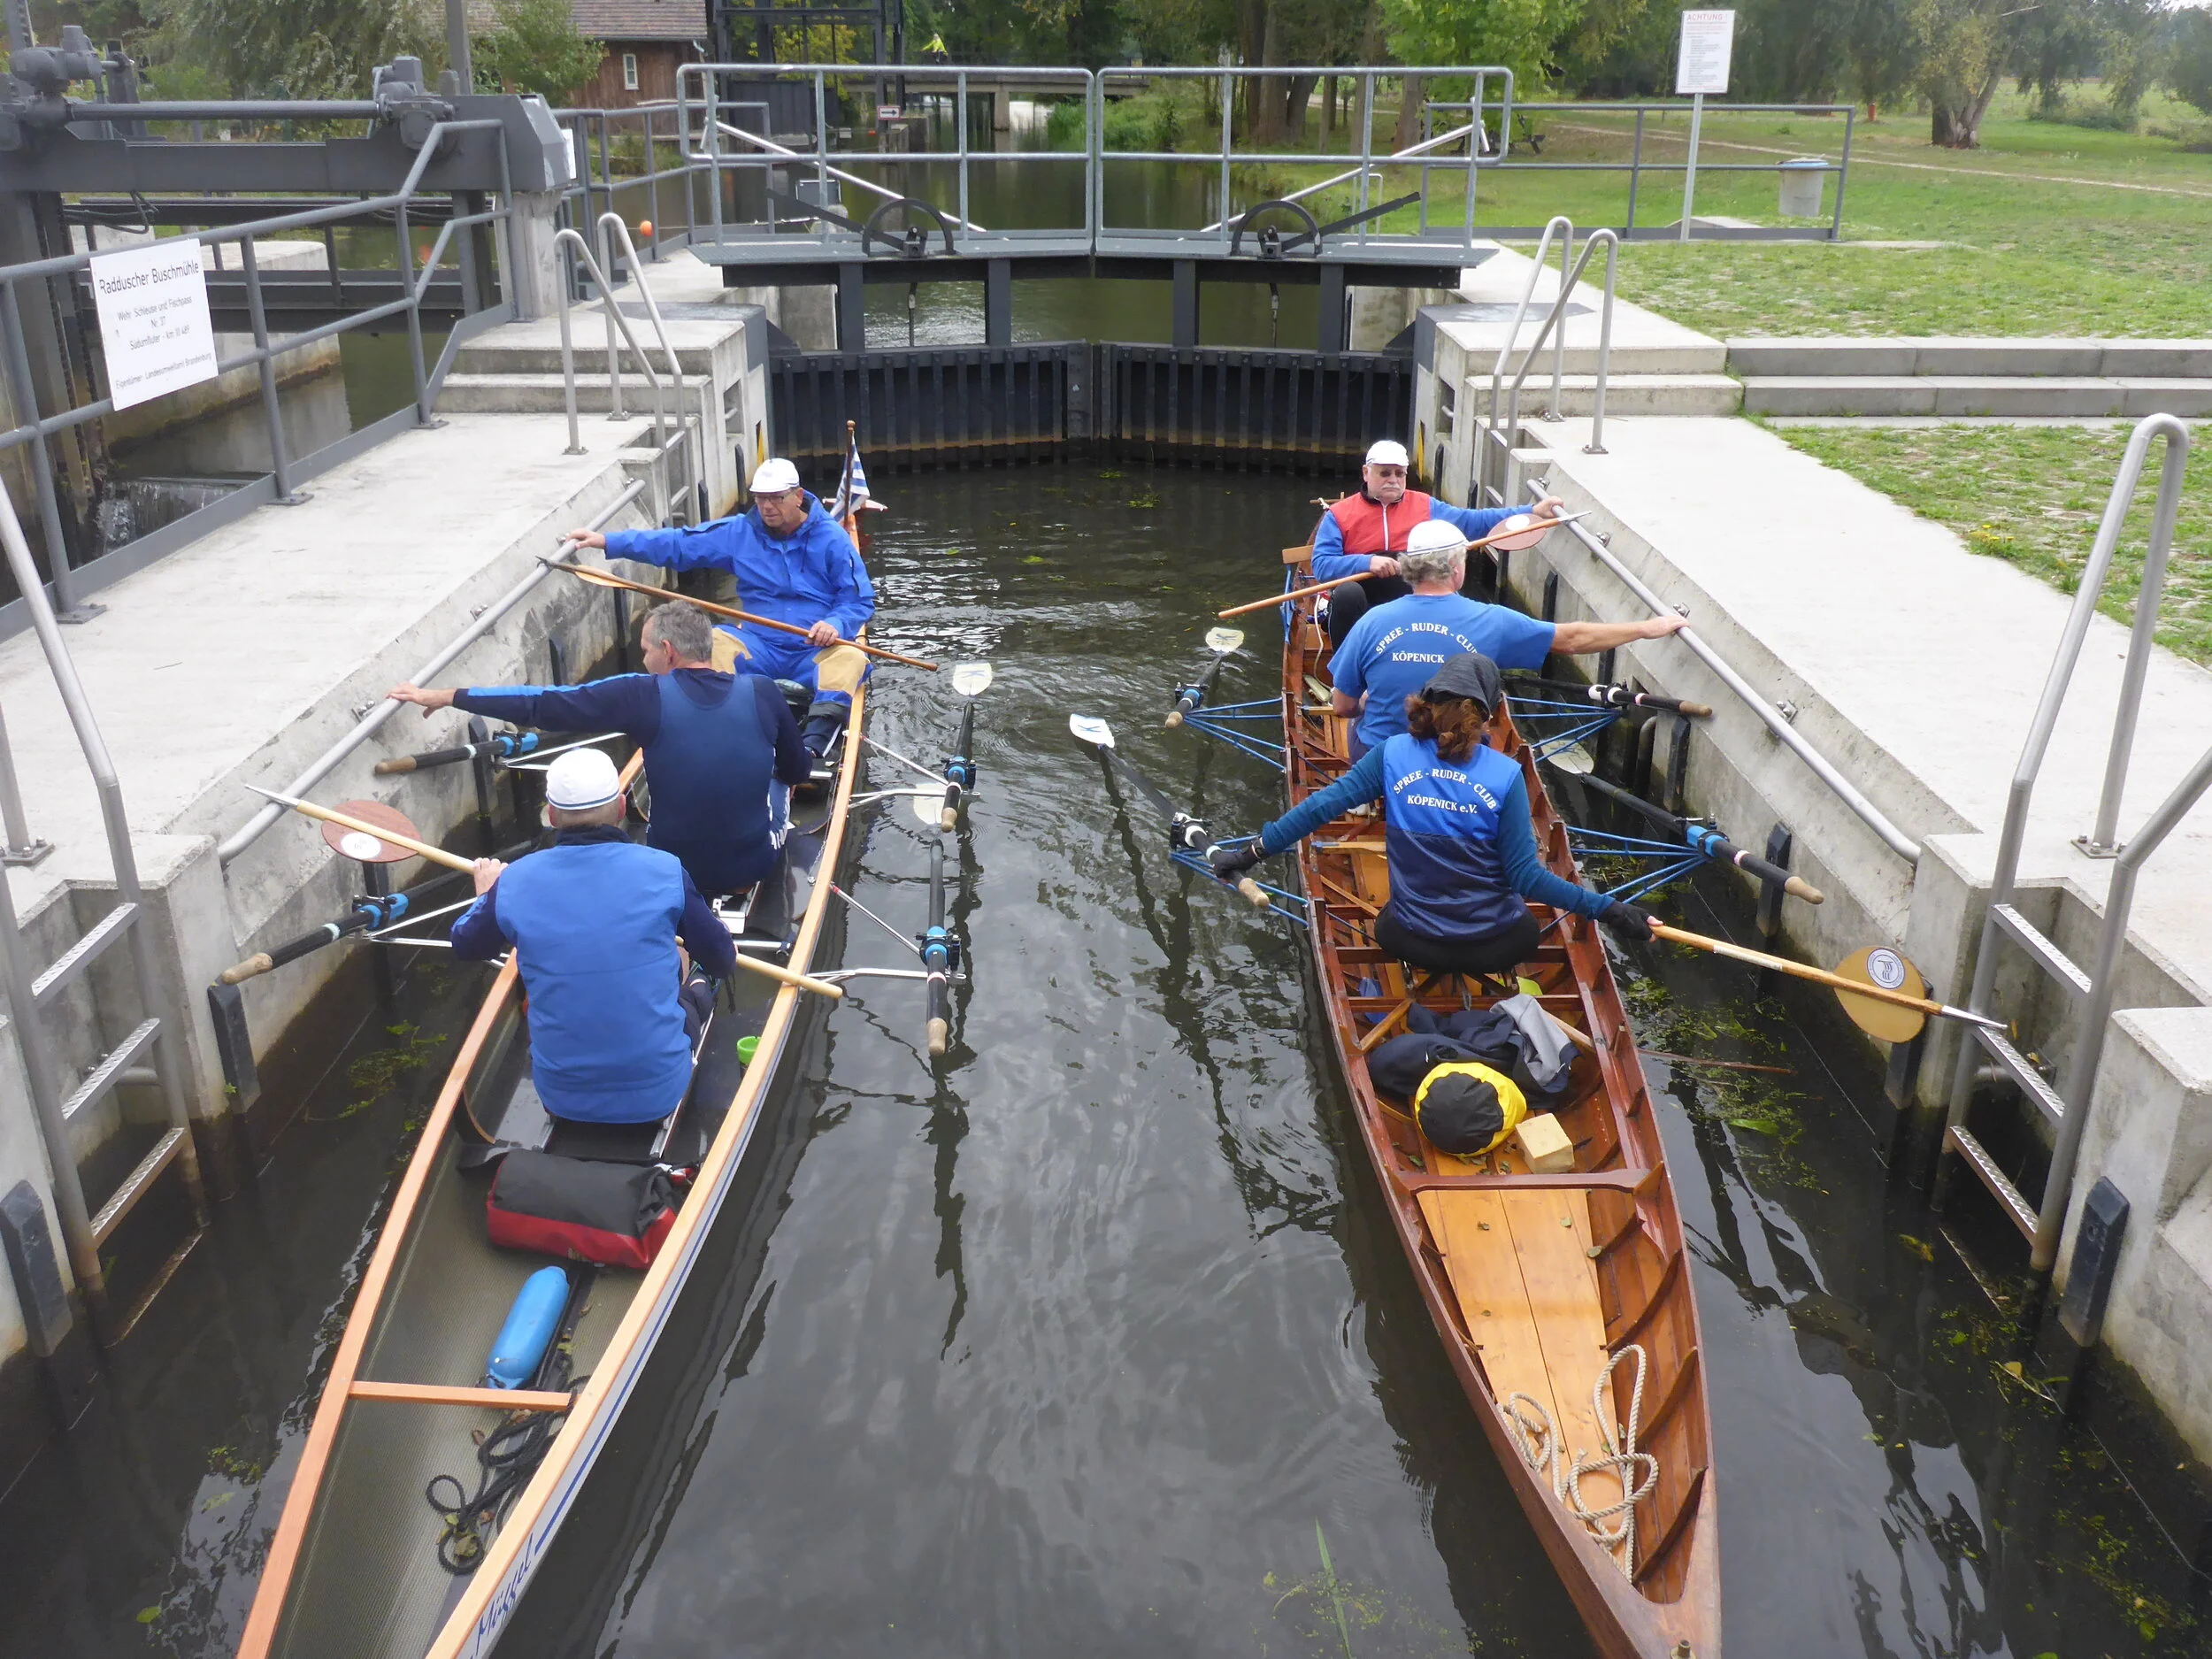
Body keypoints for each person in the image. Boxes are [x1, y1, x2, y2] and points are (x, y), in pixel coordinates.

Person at [1210, 652, 1655, 975]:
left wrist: (1248, 853)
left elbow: (1320, 807)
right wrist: (1612, 910)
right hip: (1494, 949)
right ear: (1488, 714)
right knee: (1524, 925)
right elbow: (1528, 881)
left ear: (1425, 703)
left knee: (1388, 916)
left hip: (1409, 940)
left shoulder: (1392, 754)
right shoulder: (1504, 775)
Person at [388, 601, 810, 898]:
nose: (643, 660)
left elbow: (544, 703)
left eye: (645, 651)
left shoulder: (641, 695)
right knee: (782, 776)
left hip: (673, 868)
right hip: (750, 868)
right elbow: (799, 770)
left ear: (667, 651)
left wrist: (451, 696)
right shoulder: (762, 690)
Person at [450, 748, 738, 1125]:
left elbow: (466, 944)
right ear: (621, 807)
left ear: (551, 816)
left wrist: (487, 895)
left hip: (560, 1097)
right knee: (692, 966)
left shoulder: (513, 881)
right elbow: (723, 958)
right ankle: (696, 991)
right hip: (660, 1093)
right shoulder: (664, 870)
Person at [565, 457, 875, 762]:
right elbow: (678, 545)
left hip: (814, 650)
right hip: (759, 648)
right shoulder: (739, 532)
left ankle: (813, 749)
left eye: (776, 499)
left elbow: (858, 601)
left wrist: (835, 623)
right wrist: (607, 542)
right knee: (711, 643)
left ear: (798, 496)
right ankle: (723, 732)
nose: (767, 507)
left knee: (852, 658)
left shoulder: (833, 539)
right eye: (760, 499)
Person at [1328, 518, 1689, 760]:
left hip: (1383, 760)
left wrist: (1366, 703)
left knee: (1361, 723)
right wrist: (1644, 628)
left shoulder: (1373, 621)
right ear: (1456, 569)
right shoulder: (1493, 621)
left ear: (1409, 567)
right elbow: (1573, 638)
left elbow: (1342, 707)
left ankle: (1366, 797)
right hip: (1455, 757)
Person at [1310, 439, 1567, 646]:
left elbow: (1473, 522)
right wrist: (1368, 562)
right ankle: (1343, 671)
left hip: (1409, 594)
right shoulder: (1339, 515)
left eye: (1400, 474)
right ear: (1366, 473)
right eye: (1385, 473)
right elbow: (1321, 566)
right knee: (1346, 593)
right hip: (1362, 600)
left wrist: (1532, 510)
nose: (1393, 479)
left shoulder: (1425, 505)